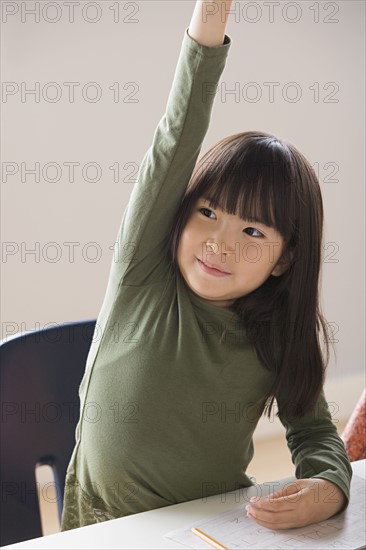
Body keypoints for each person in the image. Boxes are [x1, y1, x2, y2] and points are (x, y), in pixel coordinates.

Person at [61, 0, 352, 532]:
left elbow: (315, 435)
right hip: (103, 528)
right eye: (209, 212)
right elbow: (175, 141)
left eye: (253, 231)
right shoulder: (142, 272)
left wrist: (326, 488)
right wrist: (209, 26)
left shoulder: (281, 333)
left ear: (287, 257)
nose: (220, 244)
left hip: (210, 527)